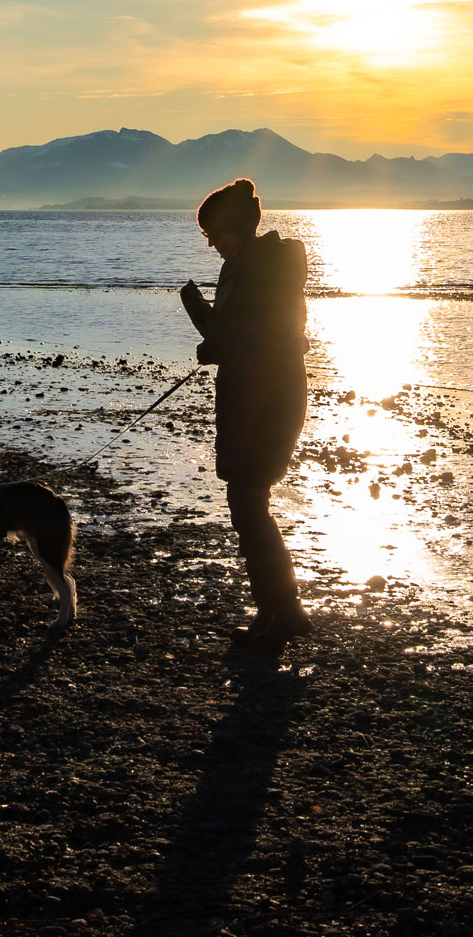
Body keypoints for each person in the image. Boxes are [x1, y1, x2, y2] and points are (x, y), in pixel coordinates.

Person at [179, 177, 310, 651]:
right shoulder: (242, 268)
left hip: (268, 400)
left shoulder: (267, 269)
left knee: (249, 505)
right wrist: (206, 325)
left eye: (214, 234)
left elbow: (269, 339)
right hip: (248, 396)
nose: (211, 243)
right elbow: (238, 335)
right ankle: (276, 611)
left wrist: (215, 344)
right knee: (247, 506)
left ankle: (286, 612)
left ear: (236, 228)